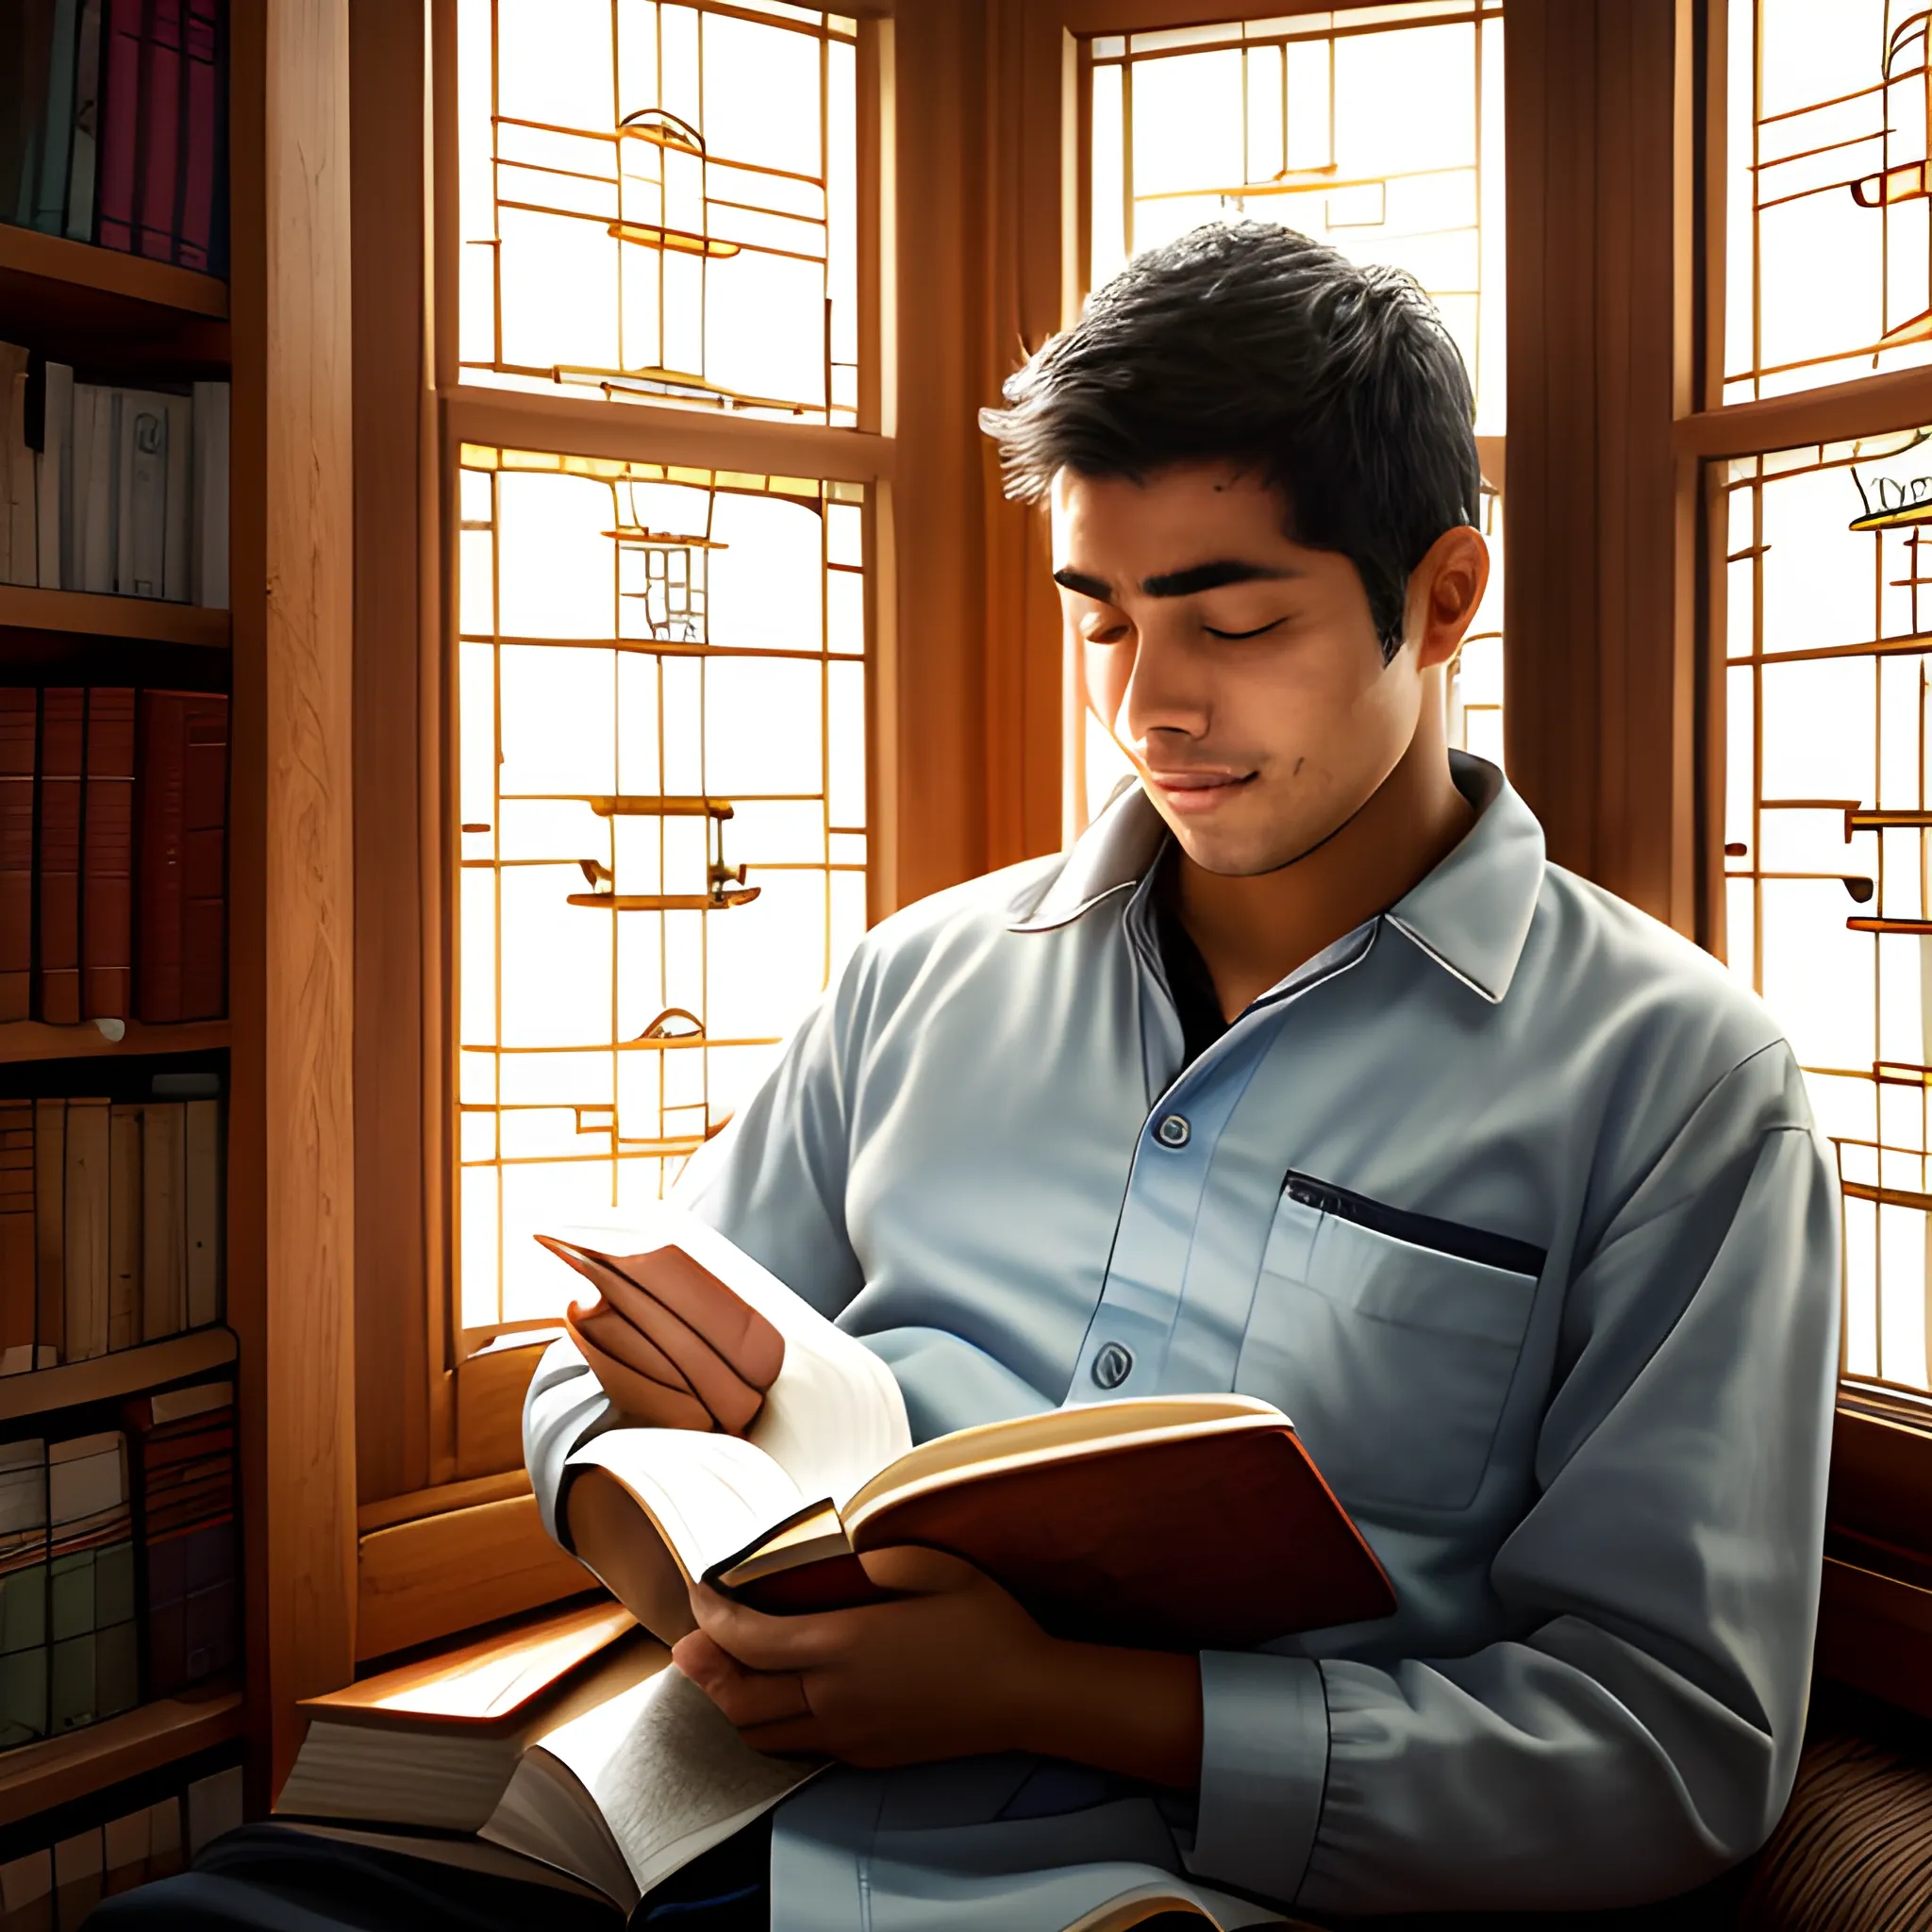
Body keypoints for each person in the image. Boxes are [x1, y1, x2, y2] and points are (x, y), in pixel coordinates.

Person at [92, 221, 1839, 1932]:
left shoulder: (1679, 1090)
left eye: (1231, 623)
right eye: (1103, 619)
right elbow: (596, 1385)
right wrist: (694, 1521)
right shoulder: (921, 979)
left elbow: (1671, 1749)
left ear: (1444, 596)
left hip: (1134, 1890)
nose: (1149, 705)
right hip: (701, 1804)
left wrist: (1049, 1696)